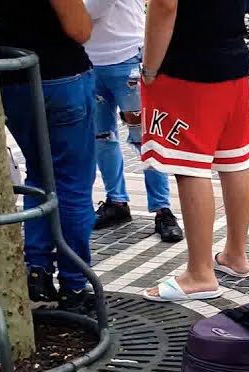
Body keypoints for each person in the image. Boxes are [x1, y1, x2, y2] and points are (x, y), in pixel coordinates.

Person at [140, 0, 249, 302]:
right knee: (234, 159)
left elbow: (164, 4)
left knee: (190, 165)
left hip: (189, 64)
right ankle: (236, 254)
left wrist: (149, 67)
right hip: (233, 57)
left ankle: (200, 273)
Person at [0, 0, 97, 314]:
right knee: (73, 184)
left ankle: (36, 270)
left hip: (11, 80)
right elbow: (79, 29)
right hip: (61, 76)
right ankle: (73, 284)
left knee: (39, 174)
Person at [85, 0, 184, 243]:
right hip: (89, 61)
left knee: (145, 137)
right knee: (102, 138)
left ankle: (162, 209)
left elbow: (89, 11)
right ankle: (116, 201)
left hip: (127, 58)